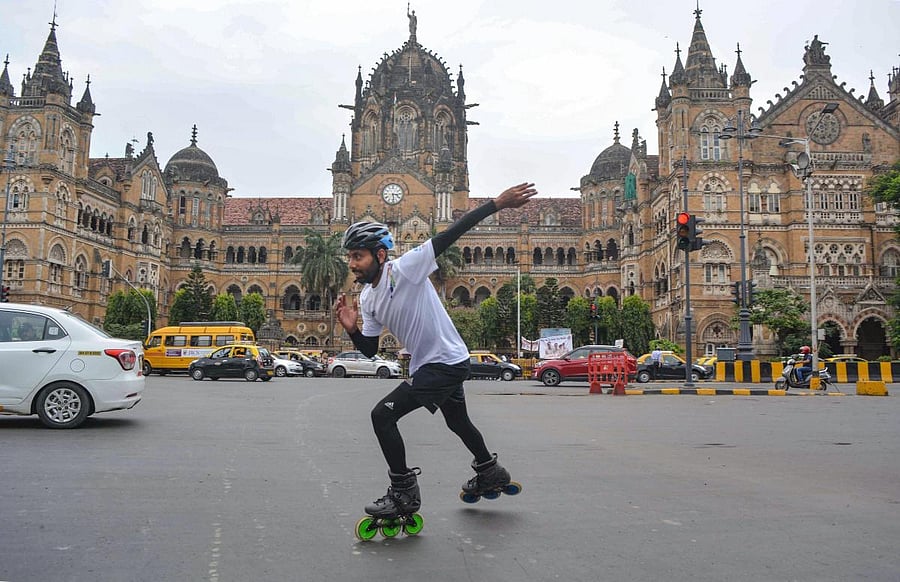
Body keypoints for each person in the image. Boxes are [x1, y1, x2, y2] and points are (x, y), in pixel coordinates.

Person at [335, 182, 537, 520]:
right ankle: (490, 471)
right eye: (350, 257)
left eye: (358, 256)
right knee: (458, 422)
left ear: (380, 255)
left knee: (382, 415)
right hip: (434, 365)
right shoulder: (368, 299)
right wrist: (352, 328)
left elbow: (449, 235)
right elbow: (370, 351)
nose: (352, 263)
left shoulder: (404, 269)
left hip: (445, 362)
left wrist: (496, 204)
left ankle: (403, 492)